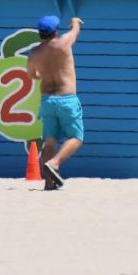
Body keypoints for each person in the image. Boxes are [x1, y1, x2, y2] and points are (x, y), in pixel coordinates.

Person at [26, 14, 84, 190]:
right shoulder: (63, 43)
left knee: (50, 141)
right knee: (76, 138)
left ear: (39, 33)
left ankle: (49, 183)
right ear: (55, 32)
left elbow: (32, 75)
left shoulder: (34, 53)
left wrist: (41, 74)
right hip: (67, 98)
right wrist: (75, 22)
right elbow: (75, 32)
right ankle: (55, 163)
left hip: (47, 100)